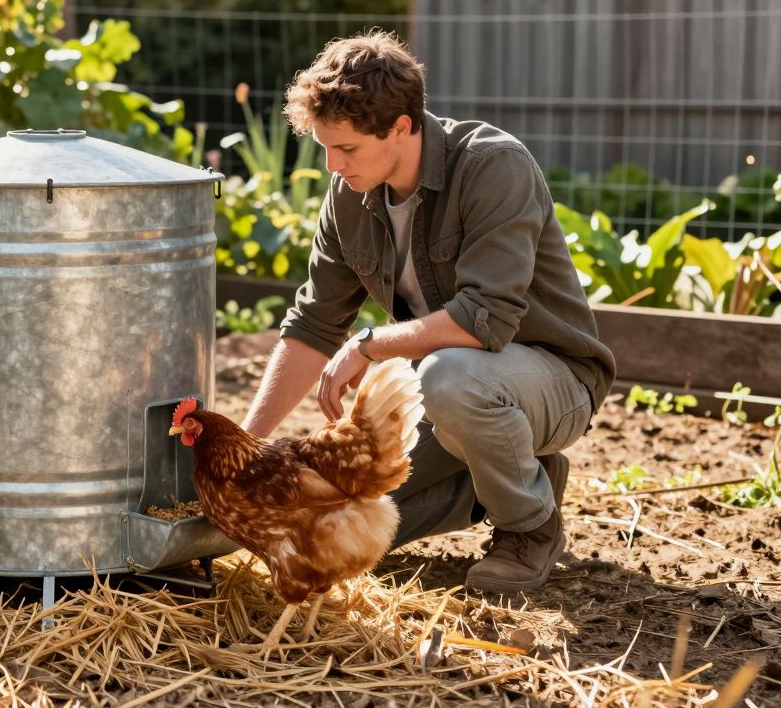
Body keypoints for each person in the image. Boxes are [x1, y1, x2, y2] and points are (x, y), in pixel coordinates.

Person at [241, 31, 616, 594]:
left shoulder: (493, 167)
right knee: (339, 525)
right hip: (454, 395)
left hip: (550, 380)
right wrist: (243, 450)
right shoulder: (348, 194)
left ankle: (529, 527)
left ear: (400, 127)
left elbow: (481, 319)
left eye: (346, 149)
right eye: (325, 147)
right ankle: (505, 473)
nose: (332, 166)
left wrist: (369, 344)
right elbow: (314, 323)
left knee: (451, 376)